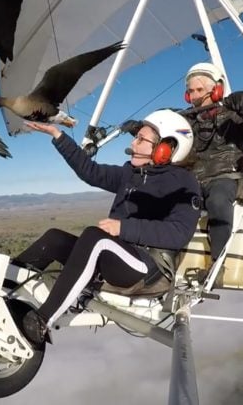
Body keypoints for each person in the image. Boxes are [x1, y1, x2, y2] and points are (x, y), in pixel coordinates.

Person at [17, 109, 202, 345]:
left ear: (166, 149)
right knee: (55, 239)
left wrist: (123, 228)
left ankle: (42, 320)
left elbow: (178, 234)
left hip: (149, 269)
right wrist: (58, 135)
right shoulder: (132, 173)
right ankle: (5, 285)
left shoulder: (184, 184)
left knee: (97, 238)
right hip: (119, 256)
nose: (133, 142)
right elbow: (91, 172)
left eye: (141, 139)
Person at [181, 62, 243, 262]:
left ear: (217, 90)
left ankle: (218, 262)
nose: (194, 96)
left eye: (199, 90)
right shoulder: (185, 119)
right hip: (192, 178)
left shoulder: (234, 115)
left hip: (225, 176)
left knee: (218, 200)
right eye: (190, 91)